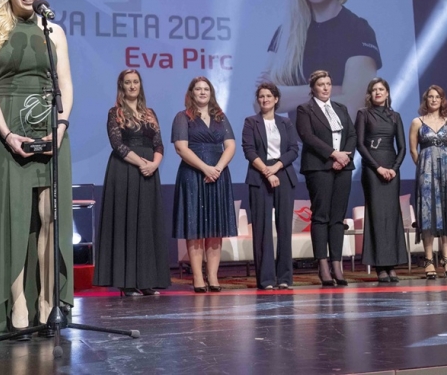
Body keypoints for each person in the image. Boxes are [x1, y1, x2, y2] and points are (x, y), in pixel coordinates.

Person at [0, 0, 73, 338]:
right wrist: (8, 134)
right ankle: (19, 305)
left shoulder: (54, 31)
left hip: (50, 127)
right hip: (8, 129)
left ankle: (46, 301)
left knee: (49, 218)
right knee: (13, 219)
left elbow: (66, 85)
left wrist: (61, 127)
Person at [258, 0, 381, 118]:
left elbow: (353, 109)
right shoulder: (287, 32)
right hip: (296, 139)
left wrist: (285, 95)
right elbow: (260, 102)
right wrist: (329, 91)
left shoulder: (358, 31)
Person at [93, 70, 171, 296]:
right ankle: (126, 284)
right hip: (125, 170)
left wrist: (154, 164)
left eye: (135, 82)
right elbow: (117, 144)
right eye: (128, 82)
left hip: (148, 172)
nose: (132, 86)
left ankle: (147, 281)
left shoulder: (150, 113)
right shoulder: (114, 113)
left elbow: (159, 144)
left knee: (146, 224)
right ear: (122, 86)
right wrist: (142, 163)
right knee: (126, 223)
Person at [172, 77, 237, 293]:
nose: (202, 92)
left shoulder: (220, 117)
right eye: (198, 89)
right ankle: (198, 278)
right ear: (191, 93)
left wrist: (217, 168)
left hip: (218, 175)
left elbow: (230, 145)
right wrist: (205, 169)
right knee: (195, 228)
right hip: (193, 175)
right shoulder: (183, 117)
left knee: (215, 228)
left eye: (206, 89)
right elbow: (181, 148)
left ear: (211, 93)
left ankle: (213, 276)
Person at [295, 70, 357, 286]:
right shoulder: (305, 109)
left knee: (338, 218)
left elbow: (352, 134)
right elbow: (308, 136)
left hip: (343, 167)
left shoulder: (340, 108)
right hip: (319, 167)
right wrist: (333, 154)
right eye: (321, 84)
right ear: (313, 88)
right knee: (321, 216)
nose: (325, 87)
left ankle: (337, 265)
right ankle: (323, 266)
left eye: (328, 84)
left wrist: (345, 157)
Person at [241, 82, 300, 290]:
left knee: (284, 228)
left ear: (276, 99)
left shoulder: (286, 122)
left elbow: (293, 150)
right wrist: (267, 171)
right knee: (262, 229)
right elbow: (249, 150)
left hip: (283, 174)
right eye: (261, 96)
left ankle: (284, 278)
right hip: (259, 176)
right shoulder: (251, 122)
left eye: (268, 96)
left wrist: (276, 167)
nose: (264, 99)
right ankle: (266, 279)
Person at [409, 85, 447, 280]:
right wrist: (424, 167)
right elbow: (413, 150)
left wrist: (441, 167)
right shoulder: (417, 122)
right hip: (425, 172)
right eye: (430, 97)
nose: (433, 100)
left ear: (442, 101)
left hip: (446, 171)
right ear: (426, 100)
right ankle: (428, 260)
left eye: (437, 97)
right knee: (428, 213)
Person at [355, 78, 407, 282]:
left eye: (381, 89)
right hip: (372, 169)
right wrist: (378, 168)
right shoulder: (363, 114)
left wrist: (394, 169)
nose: (377, 92)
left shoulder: (395, 116)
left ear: (387, 93)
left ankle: (391, 265)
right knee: (376, 216)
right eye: (374, 90)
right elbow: (360, 145)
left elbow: (402, 147)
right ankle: (379, 267)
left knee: (391, 215)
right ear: (370, 94)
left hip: (392, 170)